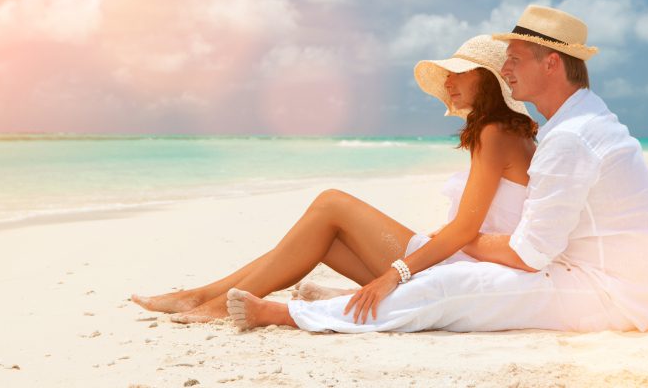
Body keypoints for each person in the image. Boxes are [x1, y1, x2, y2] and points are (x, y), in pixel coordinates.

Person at [227, 5, 648, 333]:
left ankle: (287, 314)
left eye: (514, 60)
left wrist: (461, 237)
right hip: (609, 283)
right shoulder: (578, 123)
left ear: (551, 63)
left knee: (448, 286)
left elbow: (527, 255)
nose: (506, 69)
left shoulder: (572, 136)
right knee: (448, 279)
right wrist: (456, 239)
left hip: (607, 294)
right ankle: (317, 303)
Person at [131, 34, 537, 324]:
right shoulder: (506, 131)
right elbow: (479, 221)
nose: (448, 82)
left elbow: (466, 229)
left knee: (330, 202)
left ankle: (210, 301)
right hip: (463, 258)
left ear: (486, 80)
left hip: (460, 266)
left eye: (459, 74)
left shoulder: (494, 133)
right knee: (318, 238)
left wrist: (393, 274)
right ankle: (201, 296)